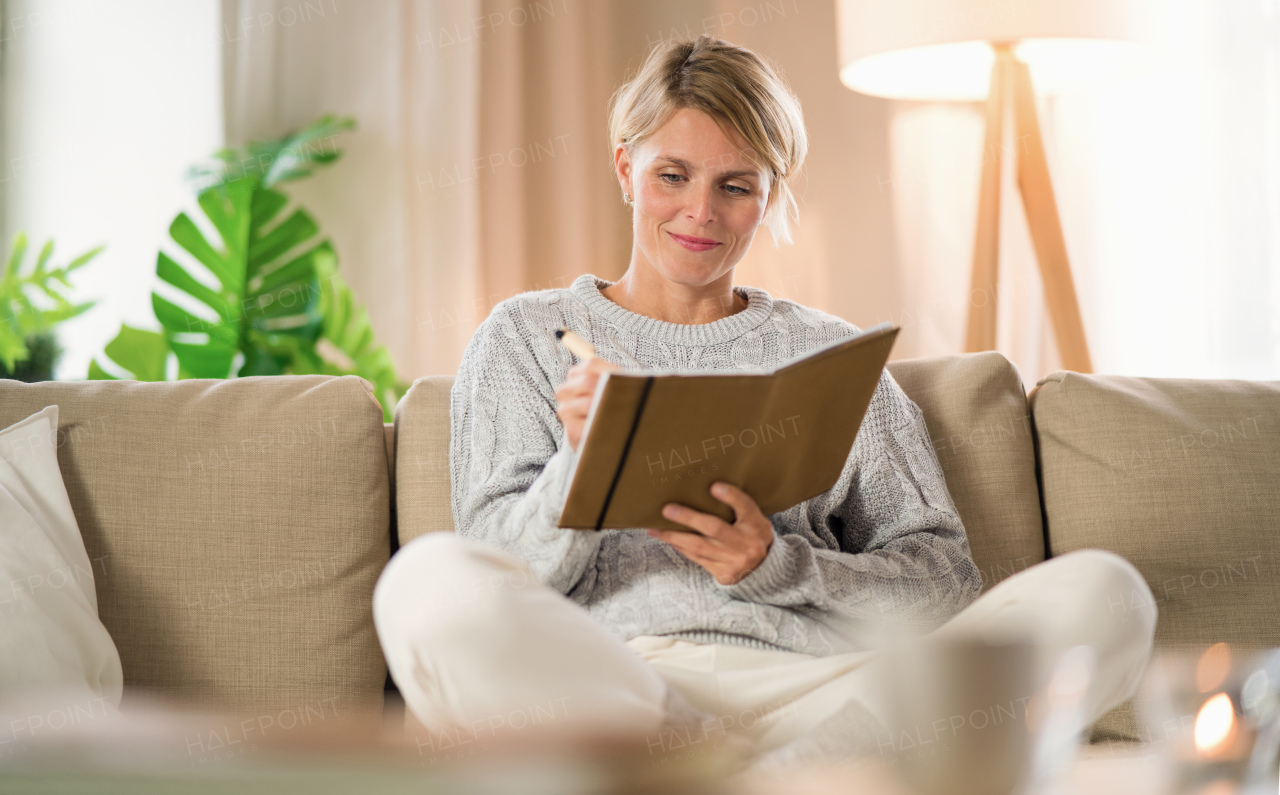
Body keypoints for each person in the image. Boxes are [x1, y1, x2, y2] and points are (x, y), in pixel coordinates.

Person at [373, 34, 1156, 768]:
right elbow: (496, 573)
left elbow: (943, 582)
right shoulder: (524, 335)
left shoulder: (831, 354)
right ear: (624, 170)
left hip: (826, 691)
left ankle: (782, 774)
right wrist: (586, 461)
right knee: (423, 582)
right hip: (617, 686)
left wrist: (774, 564)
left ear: (770, 194)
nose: (700, 213)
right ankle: (704, 767)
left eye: (735, 186)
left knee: (1110, 593)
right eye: (671, 175)